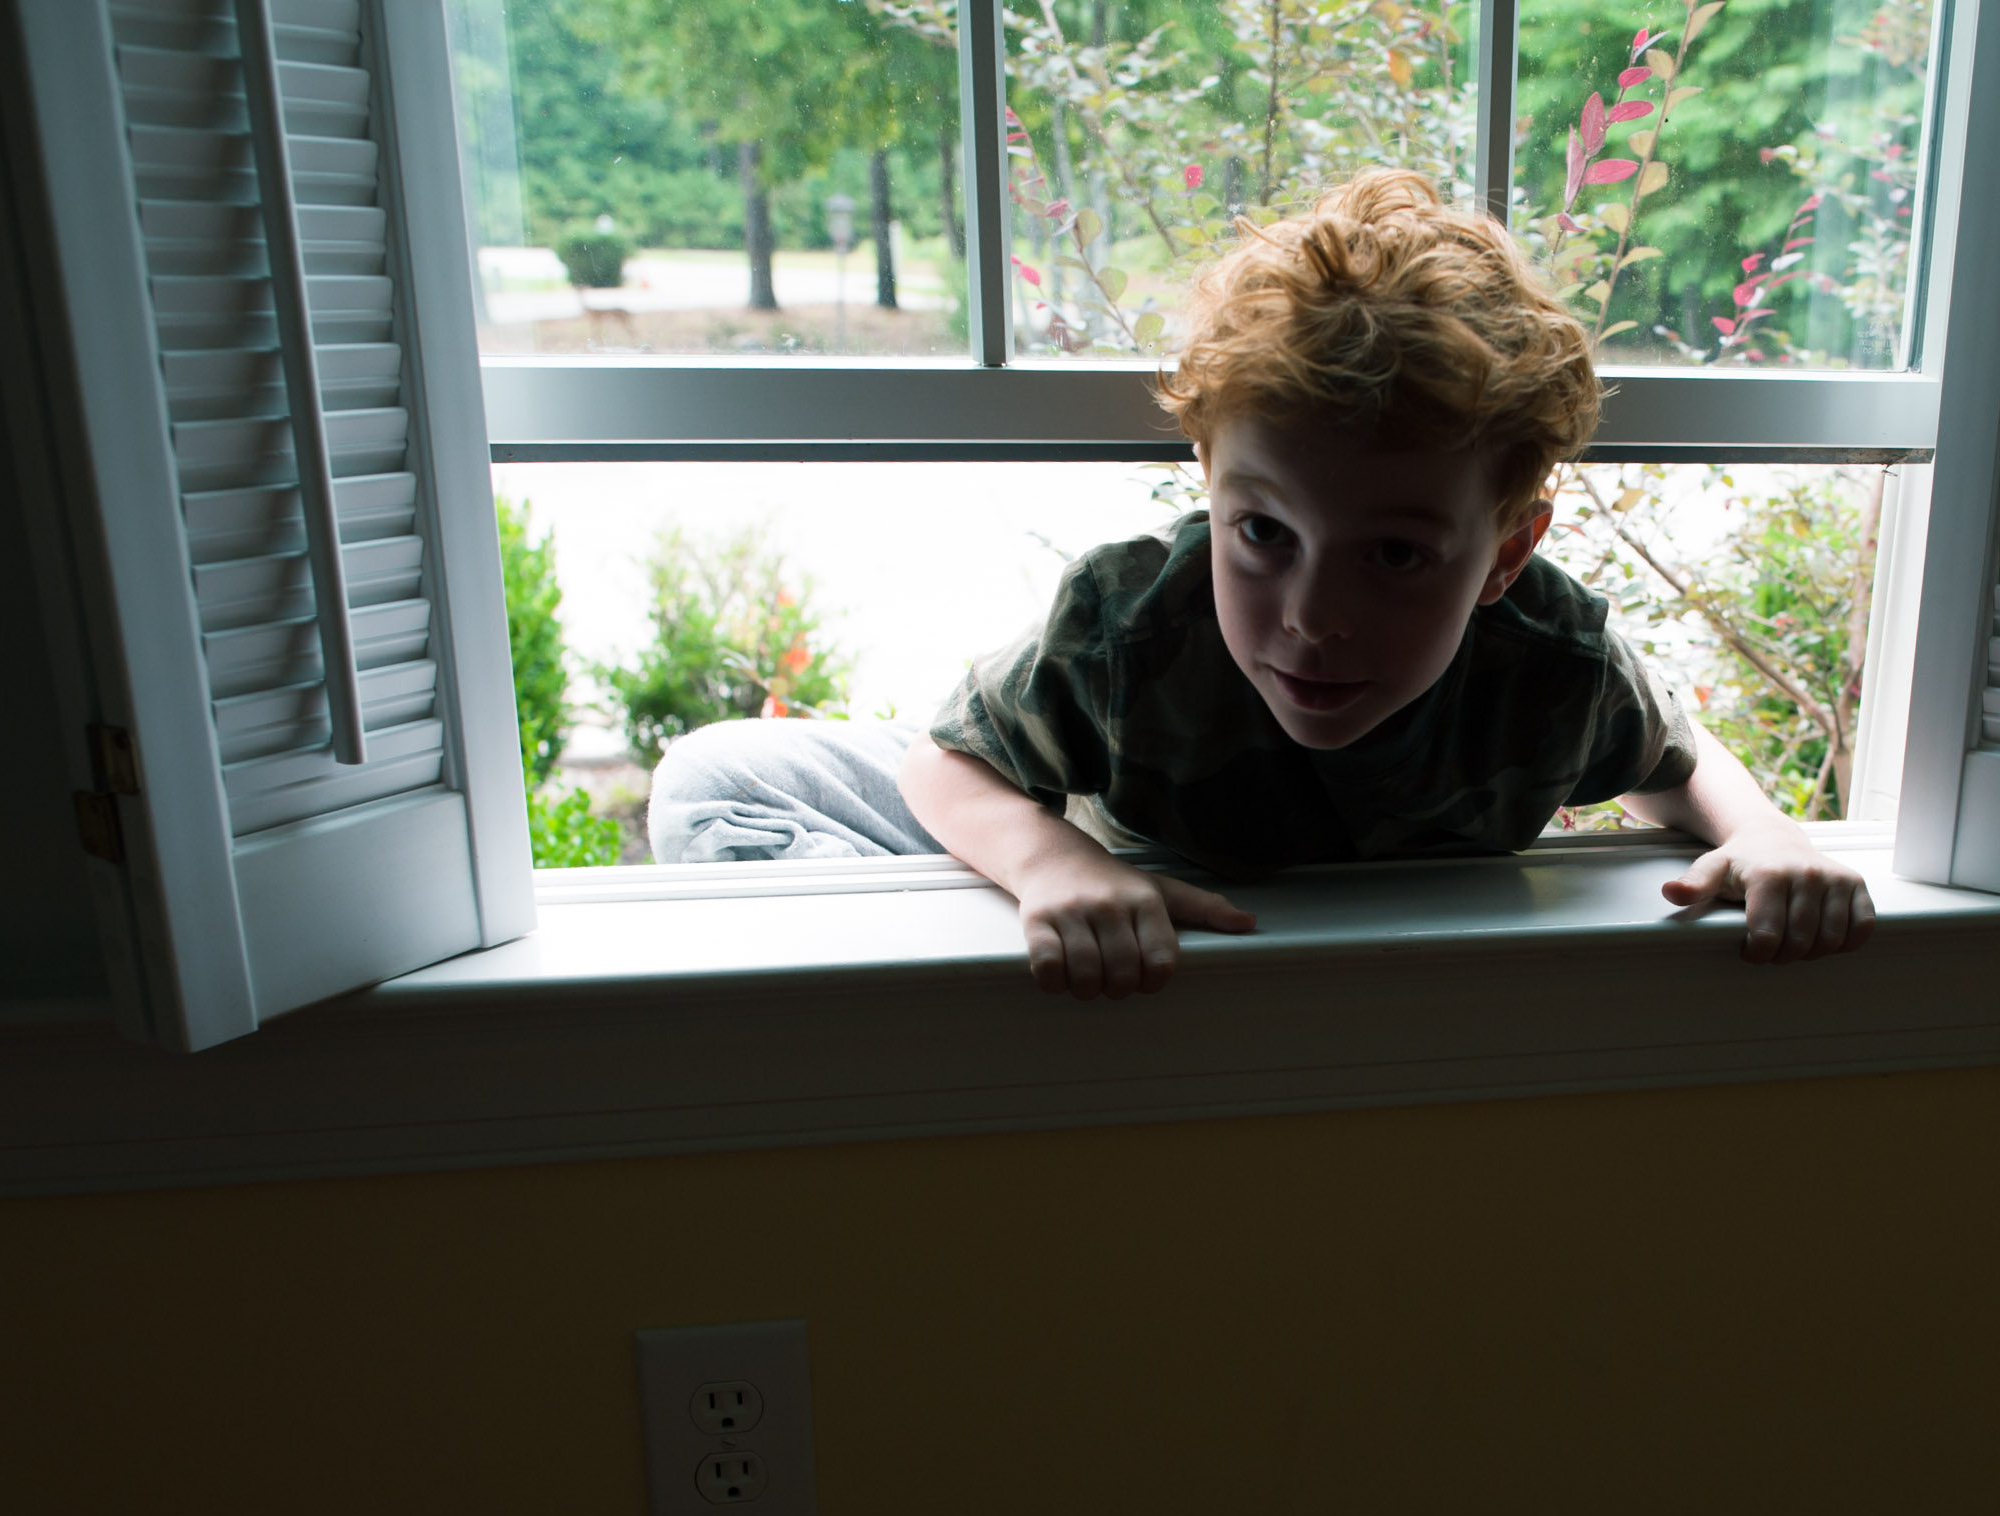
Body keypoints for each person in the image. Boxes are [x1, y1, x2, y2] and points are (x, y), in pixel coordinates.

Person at [657, 168, 1876, 997]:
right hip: (1094, 806)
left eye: (1395, 554)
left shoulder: (1548, 670)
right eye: (1262, 533)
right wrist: (1056, 869)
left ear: (1504, 555)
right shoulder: (1134, 625)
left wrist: (1765, 834)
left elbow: (1674, 764)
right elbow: (946, 762)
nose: (1310, 617)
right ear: (1208, 487)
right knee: (713, 778)